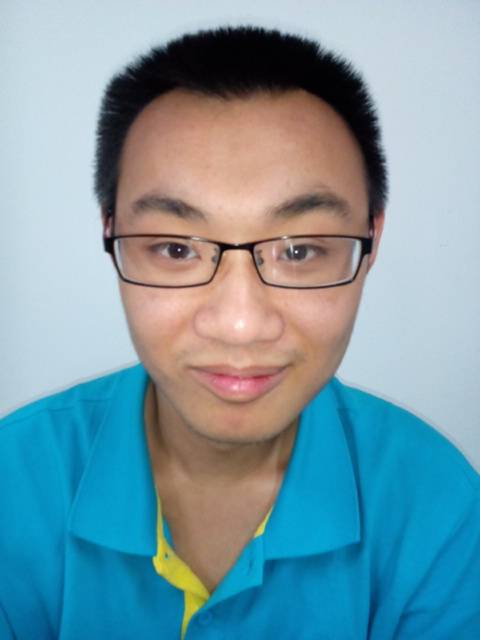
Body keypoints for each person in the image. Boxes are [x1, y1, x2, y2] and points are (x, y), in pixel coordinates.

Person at [1, 26, 479, 640]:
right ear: (110, 232)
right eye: (176, 248)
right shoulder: (14, 485)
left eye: (300, 250)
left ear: (371, 241)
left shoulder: (439, 509)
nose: (239, 325)